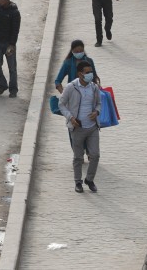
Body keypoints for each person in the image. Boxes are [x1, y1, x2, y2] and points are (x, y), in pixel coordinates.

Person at [58, 60, 102, 193]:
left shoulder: (94, 87)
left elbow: (99, 103)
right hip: (77, 127)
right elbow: (61, 104)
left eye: (91, 72)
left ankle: (89, 179)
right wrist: (70, 117)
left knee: (95, 155)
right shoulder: (71, 87)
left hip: (92, 127)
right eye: (87, 72)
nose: (90, 75)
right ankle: (78, 181)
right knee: (78, 157)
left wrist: (96, 112)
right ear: (80, 74)